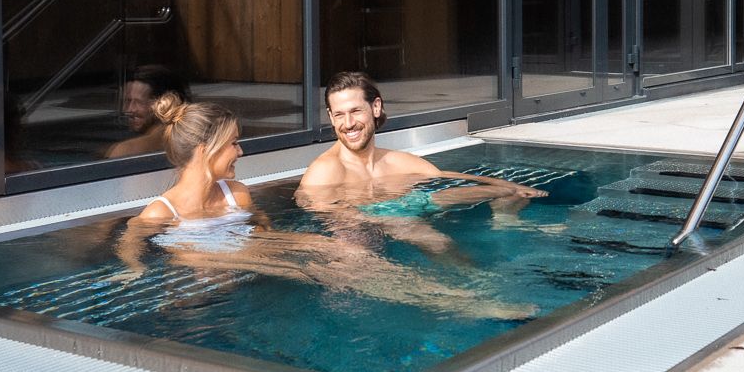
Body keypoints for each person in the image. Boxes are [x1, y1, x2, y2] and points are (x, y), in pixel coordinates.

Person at [117, 91, 530, 320]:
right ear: (206, 149)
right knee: (328, 269)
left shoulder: (235, 193)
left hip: (252, 250)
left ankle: (454, 295)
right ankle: (459, 303)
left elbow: (260, 225)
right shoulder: (163, 212)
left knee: (346, 254)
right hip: (209, 258)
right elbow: (133, 239)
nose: (240, 151)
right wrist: (133, 269)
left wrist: (283, 239)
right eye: (233, 144)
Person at [297, 70, 544, 215]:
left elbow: (445, 176)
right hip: (361, 238)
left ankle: (505, 222)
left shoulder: (394, 160)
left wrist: (507, 185)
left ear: (376, 107)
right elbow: (325, 216)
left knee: (509, 193)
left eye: (355, 111)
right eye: (339, 115)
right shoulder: (326, 170)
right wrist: (392, 213)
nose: (348, 123)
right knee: (432, 239)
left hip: (401, 213)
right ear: (331, 117)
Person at [107, 65, 189, 160]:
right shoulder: (187, 141)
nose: (129, 110)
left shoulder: (124, 151)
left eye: (139, 102)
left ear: (164, 103)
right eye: (127, 101)